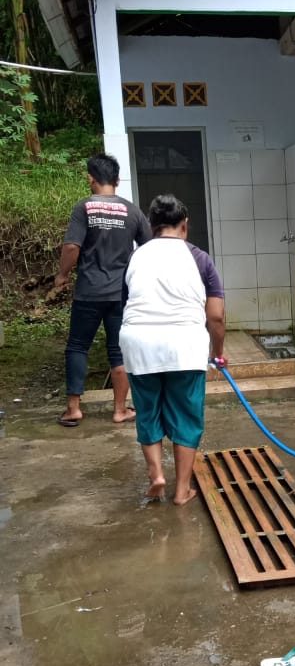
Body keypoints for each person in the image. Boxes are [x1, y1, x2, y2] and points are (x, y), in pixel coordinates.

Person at [119, 194, 225, 505]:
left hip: (139, 343)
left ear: (152, 226)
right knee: (186, 416)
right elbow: (216, 316)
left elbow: (127, 304)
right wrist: (218, 352)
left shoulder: (136, 257)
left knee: (147, 410)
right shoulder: (199, 258)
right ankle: (181, 491)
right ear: (185, 225)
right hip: (185, 345)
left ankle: (157, 476)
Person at [55, 153, 151, 427]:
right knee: (118, 351)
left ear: (91, 178)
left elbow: (72, 247)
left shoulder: (83, 208)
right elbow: (150, 247)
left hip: (88, 292)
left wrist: (62, 275)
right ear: (118, 180)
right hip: (121, 294)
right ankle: (120, 410)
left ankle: (73, 408)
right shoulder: (132, 211)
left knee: (77, 346)